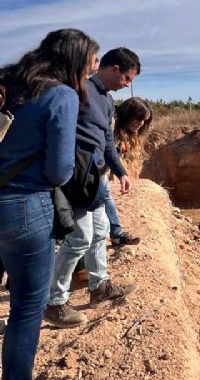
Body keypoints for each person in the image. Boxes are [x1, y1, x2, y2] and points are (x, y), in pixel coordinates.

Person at [0, 29, 99, 379]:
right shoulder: (60, 95)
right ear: (74, 59)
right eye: (91, 60)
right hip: (23, 208)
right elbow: (58, 172)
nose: (94, 67)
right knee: (26, 307)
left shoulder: (6, 83)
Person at [45, 47, 141, 329]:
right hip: (74, 180)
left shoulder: (108, 101)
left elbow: (108, 142)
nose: (127, 84)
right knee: (79, 239)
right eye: (127, 78)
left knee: (100, 233)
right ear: (113, 69)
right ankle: (54, 301)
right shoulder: (77, 90)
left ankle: (99, 286)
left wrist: (121, 171)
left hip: (96, 179)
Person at [106, 97, 153, 246]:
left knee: (106, 196)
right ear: (127, 114)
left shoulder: (120, 128)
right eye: (138, 118)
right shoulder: (111, 124)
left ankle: (116, 233)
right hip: (88, 171)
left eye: (144, 120)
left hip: (101, 173)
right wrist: (121, 173)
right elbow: (107, 150)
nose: (140, 123)